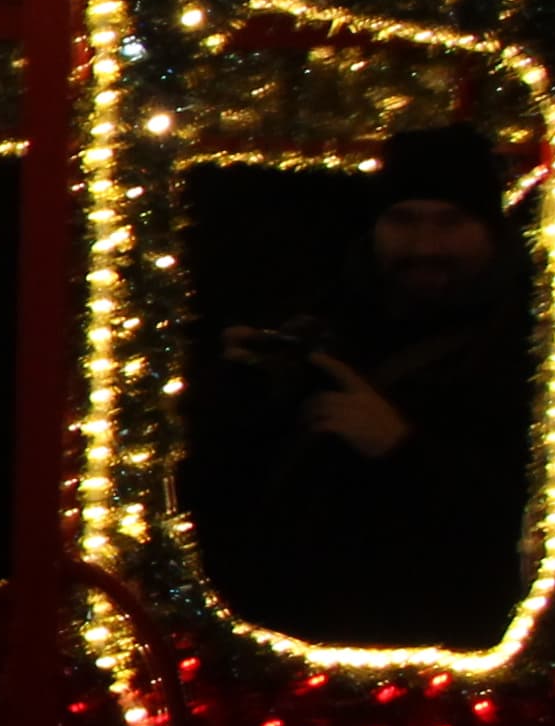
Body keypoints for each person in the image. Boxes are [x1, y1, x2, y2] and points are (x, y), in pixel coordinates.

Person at [212, 123, 534, 650]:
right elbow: (234, 493)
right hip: (299, 637)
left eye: (450, 222)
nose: (425, 246)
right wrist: (240, 393)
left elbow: (527, 517)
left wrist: (403, 450)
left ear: (491, 231)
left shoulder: (530, 343)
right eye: (403, 220)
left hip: (450, 649)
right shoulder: (332, 316)